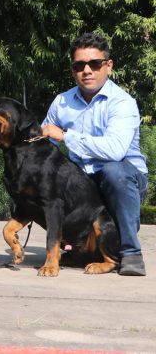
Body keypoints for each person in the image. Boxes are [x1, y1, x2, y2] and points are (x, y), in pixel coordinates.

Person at [42, 32, 149, 276]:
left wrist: (66, 136)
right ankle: (78, 247)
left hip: (123, 177)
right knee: (53, 178)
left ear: (108, 66)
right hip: (85, 180)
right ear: (73, 70)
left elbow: (115, 150)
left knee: (114, 172)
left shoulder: (122, 102)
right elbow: (45, 141)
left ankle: (130, 252)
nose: (86, 70)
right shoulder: (62, 102)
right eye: (79, 65)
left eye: (94, 64)